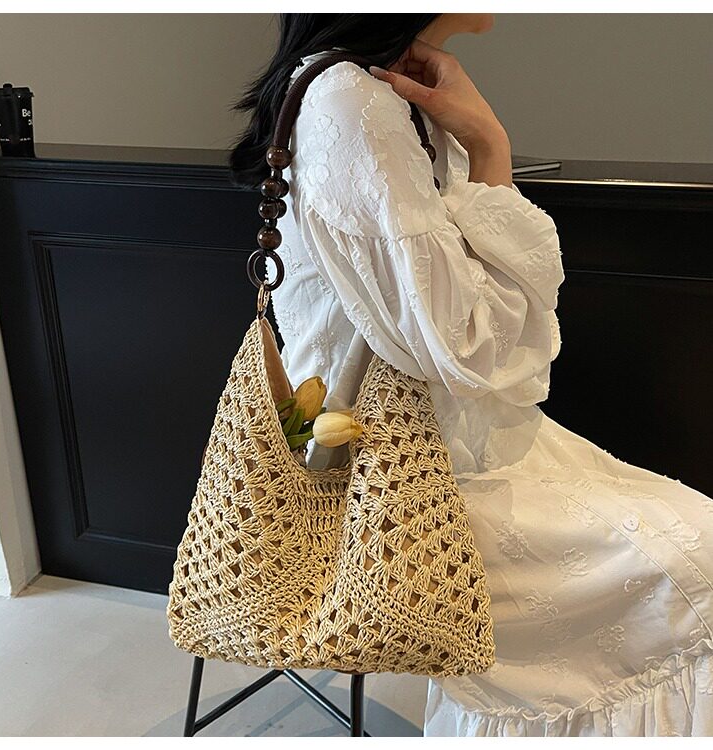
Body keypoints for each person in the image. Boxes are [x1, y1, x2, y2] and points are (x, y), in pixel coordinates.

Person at [229, 14, 713, 737]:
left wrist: (477, 137)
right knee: (696, 574)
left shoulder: (365, 92)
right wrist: (490, 146)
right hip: (396, 480)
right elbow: (474, 351)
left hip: (436, 446)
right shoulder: (351, 103)